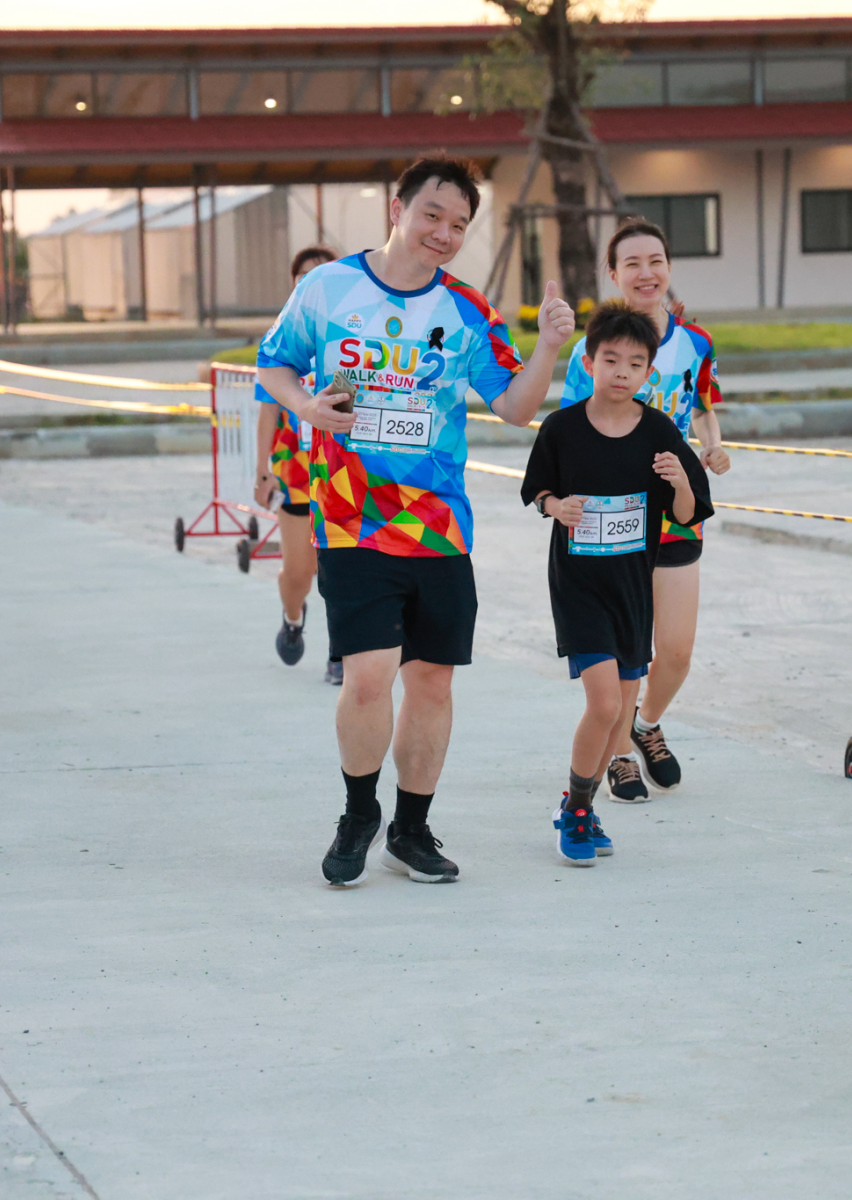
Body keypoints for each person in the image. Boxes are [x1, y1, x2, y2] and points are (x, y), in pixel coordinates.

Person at [257, 155, 576, 887]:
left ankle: (411, 828)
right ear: (397, 209)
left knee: (432, 683)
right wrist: (305, 406)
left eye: (459, 224)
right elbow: (274, 364)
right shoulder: (329, 287)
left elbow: (515, 405)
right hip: (352, 517)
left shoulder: (467, 309)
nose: (444, 233)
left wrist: (549, 348)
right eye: (433, 214)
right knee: (369, 679)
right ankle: (357, 814)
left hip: (439, 527)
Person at [522, 302, 712, 862]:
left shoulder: (658, 431)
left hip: (633, 587)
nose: (621, 372)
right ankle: (578, 811)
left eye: (634, 363)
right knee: (605, 704)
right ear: (588, 363)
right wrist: (556, 506)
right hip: (579, 584)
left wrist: (680, 481)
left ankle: (576, 801)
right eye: (610, 359)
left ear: (649, 372)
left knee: (622, 713)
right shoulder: (562, 428)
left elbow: (686, 512)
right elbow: (537, 489)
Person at [558, 220, 731, 801]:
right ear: (613, 274)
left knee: (676, 652)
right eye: (631, 263)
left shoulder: (695, 342)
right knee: (626, 650)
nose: (645, 272)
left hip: (675, 507)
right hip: (613, 518)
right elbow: (570, 428)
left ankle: (645, 722)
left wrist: (713, 444)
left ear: (669, 268)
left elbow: (702, 404)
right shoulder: (592, 350)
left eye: (655, 260)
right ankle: (618, 755)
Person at [253, 245, 344, 685]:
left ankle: (341, 654)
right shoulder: (284, 338)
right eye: (304, 276)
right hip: (297, 474)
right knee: (300, 572)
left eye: (323, 273)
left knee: (342, 571)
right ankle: (293, 617)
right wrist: (262, 471)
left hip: (345, 474)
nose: (313, 282)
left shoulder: (352, 336)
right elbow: (268, 412)